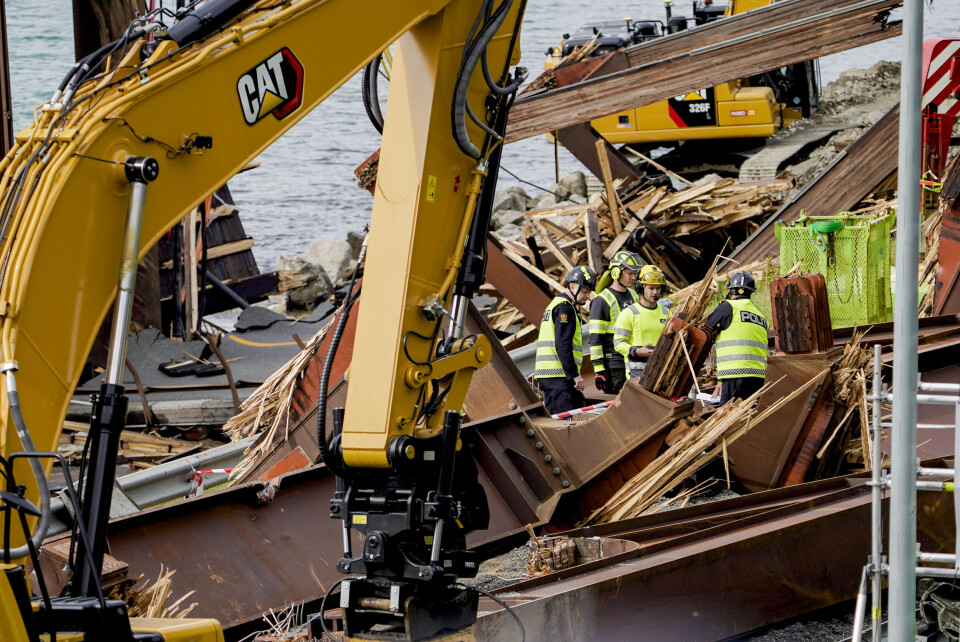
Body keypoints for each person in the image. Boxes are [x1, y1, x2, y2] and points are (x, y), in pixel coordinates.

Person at [534, 265, 597, 415]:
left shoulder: (556, 305)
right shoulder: (565, 308)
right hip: (559, 376)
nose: (587, 296)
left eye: (589, 292)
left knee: (575, 406)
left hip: (553, 376)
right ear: (572, 286)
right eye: (585, 291)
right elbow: (563, 344)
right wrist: (574, 375)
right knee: (566, 422)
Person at [703, 271, 769, 405]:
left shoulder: (728, 307)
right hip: (758, 377)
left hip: (734, 374)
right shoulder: (761, 317)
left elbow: (705, 330)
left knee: (728, 417)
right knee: (748, 417)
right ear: (751, 292)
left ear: (730, 291)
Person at [589, 251, 643, 395]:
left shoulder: (633, 295)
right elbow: (595, 339)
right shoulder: (602, 301)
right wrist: (599, 370)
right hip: (614, 367)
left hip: (632, 362)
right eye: (629, 273)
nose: (633, 278)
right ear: (615, 273)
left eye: (635, 274)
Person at [614, 265, 670, 379]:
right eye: (651, 288)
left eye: (658, 288)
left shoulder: (667, 313)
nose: (655, 292)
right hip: (637, 374)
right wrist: (637, 351)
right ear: (641, 288)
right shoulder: (628, 313)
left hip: (662, 371)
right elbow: (618, 344)